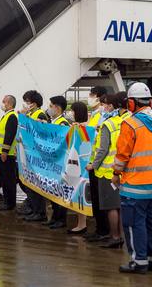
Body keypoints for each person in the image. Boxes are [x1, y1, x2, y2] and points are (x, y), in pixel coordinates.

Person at [112, 82, 152, 274]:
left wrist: (116, 173)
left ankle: (139, 262)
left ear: (131, 104)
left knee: (133, 224)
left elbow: (122, 155)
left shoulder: (130, 123)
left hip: (134, 185)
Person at [88, 94, 127, 248]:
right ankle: (122, 236)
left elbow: (103, 149)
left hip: (107, 172)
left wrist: (93, 165)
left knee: (111, 206)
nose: (102, 108)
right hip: (122, 170)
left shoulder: (108, 125)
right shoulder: (126, 121)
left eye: (104, 105)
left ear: (111, 107)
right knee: (120, 205)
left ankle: (114, 237)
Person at [83, 86, 111, 242]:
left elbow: (102, 143)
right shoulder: (95, 115)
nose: (89, 97)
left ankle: (104, 230)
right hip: (93, 162)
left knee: (101, 199)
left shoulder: (102, 116)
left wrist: (94, 163)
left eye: (92, 95)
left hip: (98, 164)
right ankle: (101, 229)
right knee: (96, 198)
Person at [40, 95, 71, 228]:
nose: (49, 109)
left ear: (58, 108)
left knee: (59, 192)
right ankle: (54, 216)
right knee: (52, 191)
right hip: (52, 163)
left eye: (51, 106)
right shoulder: (53, 121)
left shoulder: (63, 123)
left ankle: (61, 219)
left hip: (59, 163)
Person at [21, 90, 51, 222]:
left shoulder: (40, 115)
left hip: (36, 155)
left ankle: (40, 212)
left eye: (27, 101)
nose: (25, 104)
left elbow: (42, 133)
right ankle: (34, 209)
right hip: (30, 153)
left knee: (37, 185)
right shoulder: (30, 114)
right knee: (30, 183)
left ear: (34, 103)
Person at [67, 101, 90, 235]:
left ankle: (82, 224)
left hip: (82, 166)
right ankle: (81, 223)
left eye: (73, 111)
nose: (71, 113)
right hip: (77, 166)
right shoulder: (75, 127)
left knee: (80, 194)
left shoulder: (84, 128)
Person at [0, 94, 19, 211]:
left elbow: (9, 136)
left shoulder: (12, 116)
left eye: (4, 102)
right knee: (4, 179)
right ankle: (6, 201)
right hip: (1, 154)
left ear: (10, 104)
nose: (2, 104)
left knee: (8, 179)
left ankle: (10, 203)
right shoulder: (6, 115)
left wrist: (4, 151)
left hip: (6, 155)